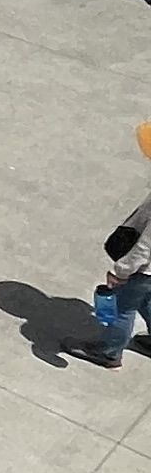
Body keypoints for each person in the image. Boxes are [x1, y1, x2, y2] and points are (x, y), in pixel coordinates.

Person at [89, 121, 151, 365]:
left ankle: (109, 351)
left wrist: (121, 271)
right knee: (147, 300)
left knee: (123, 307)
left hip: (144, 270)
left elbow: (146, 246)